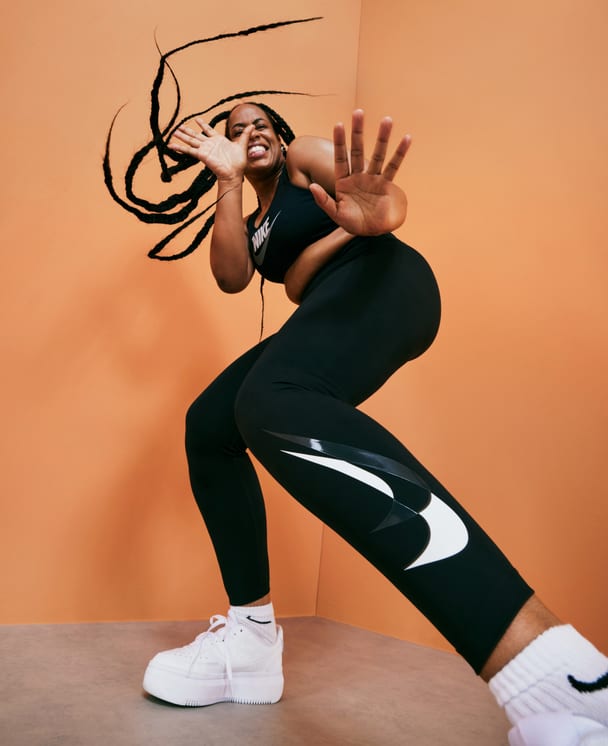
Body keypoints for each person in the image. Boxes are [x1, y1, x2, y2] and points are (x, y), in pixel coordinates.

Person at [140, 104, 608, 746]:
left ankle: (561, 677)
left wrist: (379, 216)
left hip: (386, 280)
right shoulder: (253, 223)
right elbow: (241, 278)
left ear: (279, 136)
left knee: (271, 400)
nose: (251, 134)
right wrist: (231, 183)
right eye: (236, 131)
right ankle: (249, 641)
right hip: (329, 301)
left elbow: (381, 201)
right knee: (212, 425)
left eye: (260, 124)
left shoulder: (303, 160)